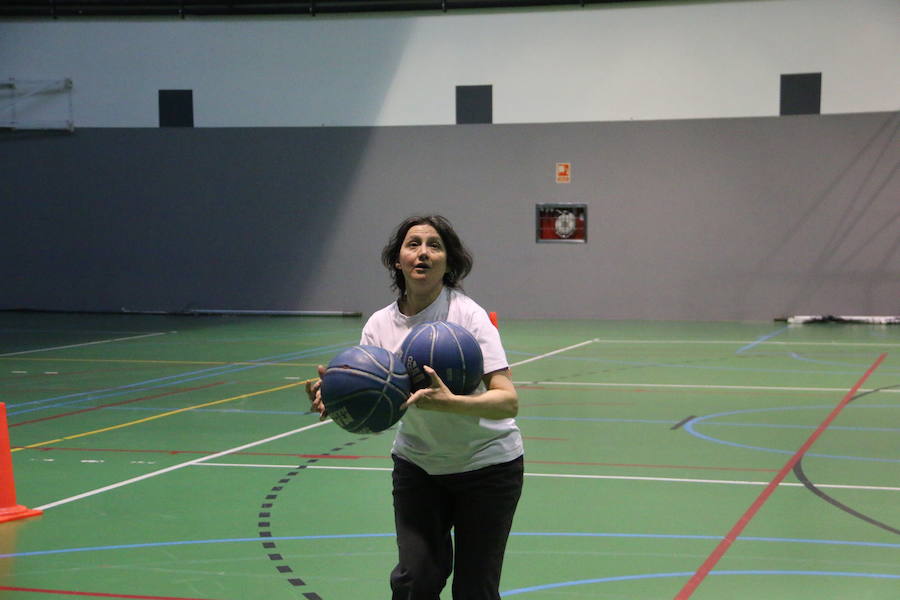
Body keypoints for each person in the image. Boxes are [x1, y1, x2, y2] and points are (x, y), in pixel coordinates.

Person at [307, 215, 524, 600]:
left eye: (434, 245)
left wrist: (452, 403)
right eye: (413, 244)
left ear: (447, 262)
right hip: (419, 468)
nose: (423, 252)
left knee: (475, 589)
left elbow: (508, 400)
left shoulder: (467, 315)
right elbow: (377, 400)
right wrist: (339, 395)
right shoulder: (378, 325)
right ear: (398, 260)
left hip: (488, 468)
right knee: (414, 581)